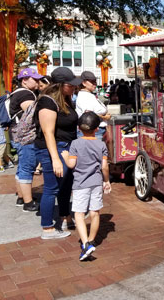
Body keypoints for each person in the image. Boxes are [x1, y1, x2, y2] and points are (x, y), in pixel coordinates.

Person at [34, 67, 80, 239]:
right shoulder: (47, 102)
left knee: (66, 185)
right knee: (51, 188)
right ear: (61, 85)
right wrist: (55, 159)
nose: (74, 87)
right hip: (53, 149)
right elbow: (48, 132)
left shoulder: (66, 99)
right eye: (71, 85)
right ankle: (47, 228)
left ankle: (65, 215)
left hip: (67, 147)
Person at [61, 112, 111, 260]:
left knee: (79, 214)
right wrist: (106, 181)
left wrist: (64, 156)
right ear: (97, 129)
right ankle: (91, 239)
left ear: (78, 128)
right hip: (96, 182)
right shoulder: (101, 144)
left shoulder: (75, 144)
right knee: (95, 212)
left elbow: (71, 164)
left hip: (80, 184)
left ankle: (85, 244)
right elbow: (104, 166)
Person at [10, 68, 43, 212]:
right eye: (34, 79)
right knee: (27, 168)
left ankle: (21, 196)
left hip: (16, 135)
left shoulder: (17, 92)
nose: (37, 82)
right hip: (26, 138)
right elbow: (32, 115)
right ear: (24, 80)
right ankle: (28, 203)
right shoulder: (25, 94)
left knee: (22, 167)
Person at [75, 71, 110, 140]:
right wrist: (105, 117)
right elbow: (88, 114)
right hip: (92, 131)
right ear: (84, 83)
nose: (95, 84)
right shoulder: (83, 96)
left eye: (95, 81)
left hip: (98, 130)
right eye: (92, 82)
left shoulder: (89, 94)